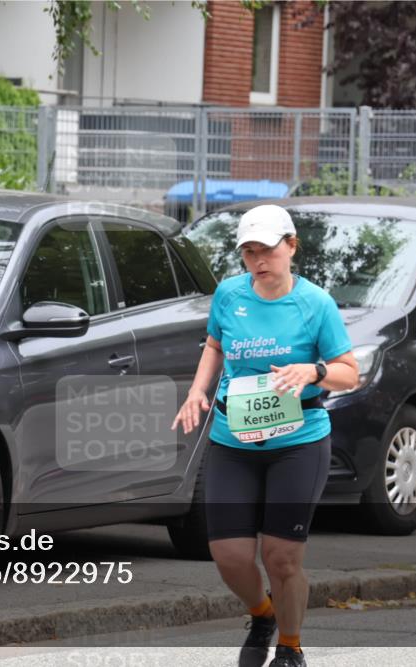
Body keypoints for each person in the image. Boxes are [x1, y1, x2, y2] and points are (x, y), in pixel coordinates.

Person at [172, 204, 359, 667]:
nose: (258, 260)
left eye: (268, 250)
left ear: (291, 247)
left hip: (299, 442)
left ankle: (291, 647)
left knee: (281, 558)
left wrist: (313, 370)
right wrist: (198, 390)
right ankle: (262, 614)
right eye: (249, 252)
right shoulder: (230, 294)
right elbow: (215, 345)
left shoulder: (316, 304)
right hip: (234, 440)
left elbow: (349, 374)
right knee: (229, 555)